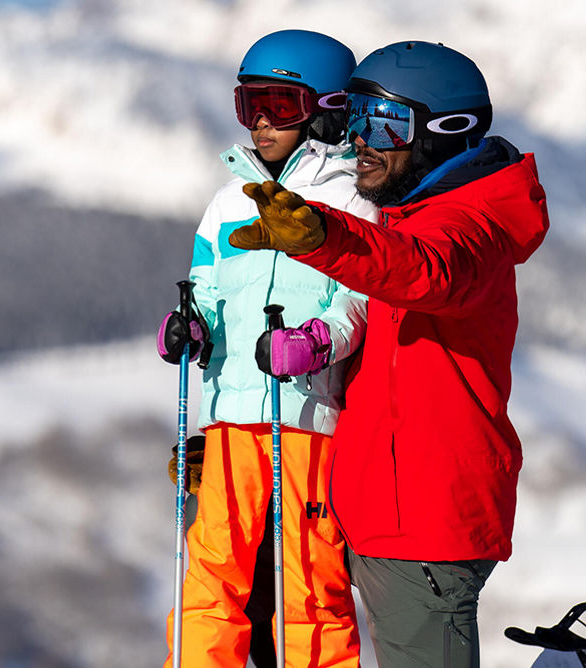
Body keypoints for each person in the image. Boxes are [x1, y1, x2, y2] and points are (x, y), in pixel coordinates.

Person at [230, 40, 550, 668]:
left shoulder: (470, 229)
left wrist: (325, 236)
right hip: (370, 510)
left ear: (447, 129)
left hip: (424, 524)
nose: (359, 140)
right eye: (354, 118)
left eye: (384, 123)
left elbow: (425, 271)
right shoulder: (405, 218)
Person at [157, 29, 377, 668]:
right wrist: (192, 327)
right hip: (229, 422)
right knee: (212, 575)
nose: (260, 121)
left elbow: (357, 301)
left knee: (309, 584)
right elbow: (205, 288)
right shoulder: (228, 202)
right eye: (248, 103)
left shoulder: (351, 200)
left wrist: (316, 342)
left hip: (308, 420)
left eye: (280, 105)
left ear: (327, 110)